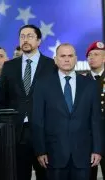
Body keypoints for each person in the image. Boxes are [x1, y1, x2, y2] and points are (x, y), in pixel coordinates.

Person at [32, 43, 103, 180]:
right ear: (55, 59)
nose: (66, 59)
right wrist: (40, 150)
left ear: (76, 59)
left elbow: (95, 119)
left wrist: (97, 149)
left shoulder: (90, 85)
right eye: (63, 56)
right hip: (54, 155)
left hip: (83, 155)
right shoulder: (42, 84)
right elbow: (38, 119)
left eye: (70, 56)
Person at [0, 24, 56, 180]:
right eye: (22, 36)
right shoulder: (9, 66)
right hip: (17, 134)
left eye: (30, 36)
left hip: (44, 134)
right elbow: (1, 100)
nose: (25, 39)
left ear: (38, 41)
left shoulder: (51, 66)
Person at [85, 41, 105, 180]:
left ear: (104, 58)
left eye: (96, 54)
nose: (92, 57)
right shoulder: (81, 82)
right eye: (89, 55)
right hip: (89, 140)